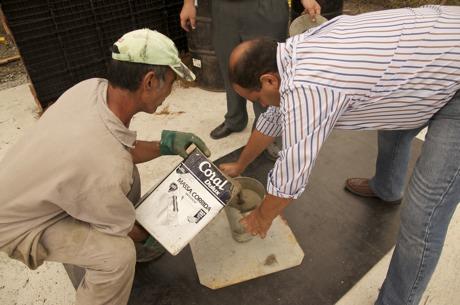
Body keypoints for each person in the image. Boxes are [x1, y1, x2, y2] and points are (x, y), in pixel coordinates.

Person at [219, 5, 460, 305]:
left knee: (422, 217)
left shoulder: (308, 88)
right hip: (428, 49)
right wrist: (241, 163)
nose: (261, 104)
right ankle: (386, 188)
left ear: (268, 81)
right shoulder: (290, 54)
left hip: (454, 77)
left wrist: (261, 217)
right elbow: (272, 118)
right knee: (392, 118)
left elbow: (291, 178)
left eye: (254, 99)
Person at [0, 29, 210, 305]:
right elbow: (107, 167)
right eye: (170, 81)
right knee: (118, 256)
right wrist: (151, 236)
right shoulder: (104, 166)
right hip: (18, 224)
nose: (169, 92)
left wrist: (165, 145)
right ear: (149, 81)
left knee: (128, 178)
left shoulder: (91, 89)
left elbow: (114, 148)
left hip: (32, 190)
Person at [180, 0, 320, 159]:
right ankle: (235, 118)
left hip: (266, 7)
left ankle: (268, 131)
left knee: (268, 69)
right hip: (222, 8)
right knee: (229, 65)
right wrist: (188, 3)